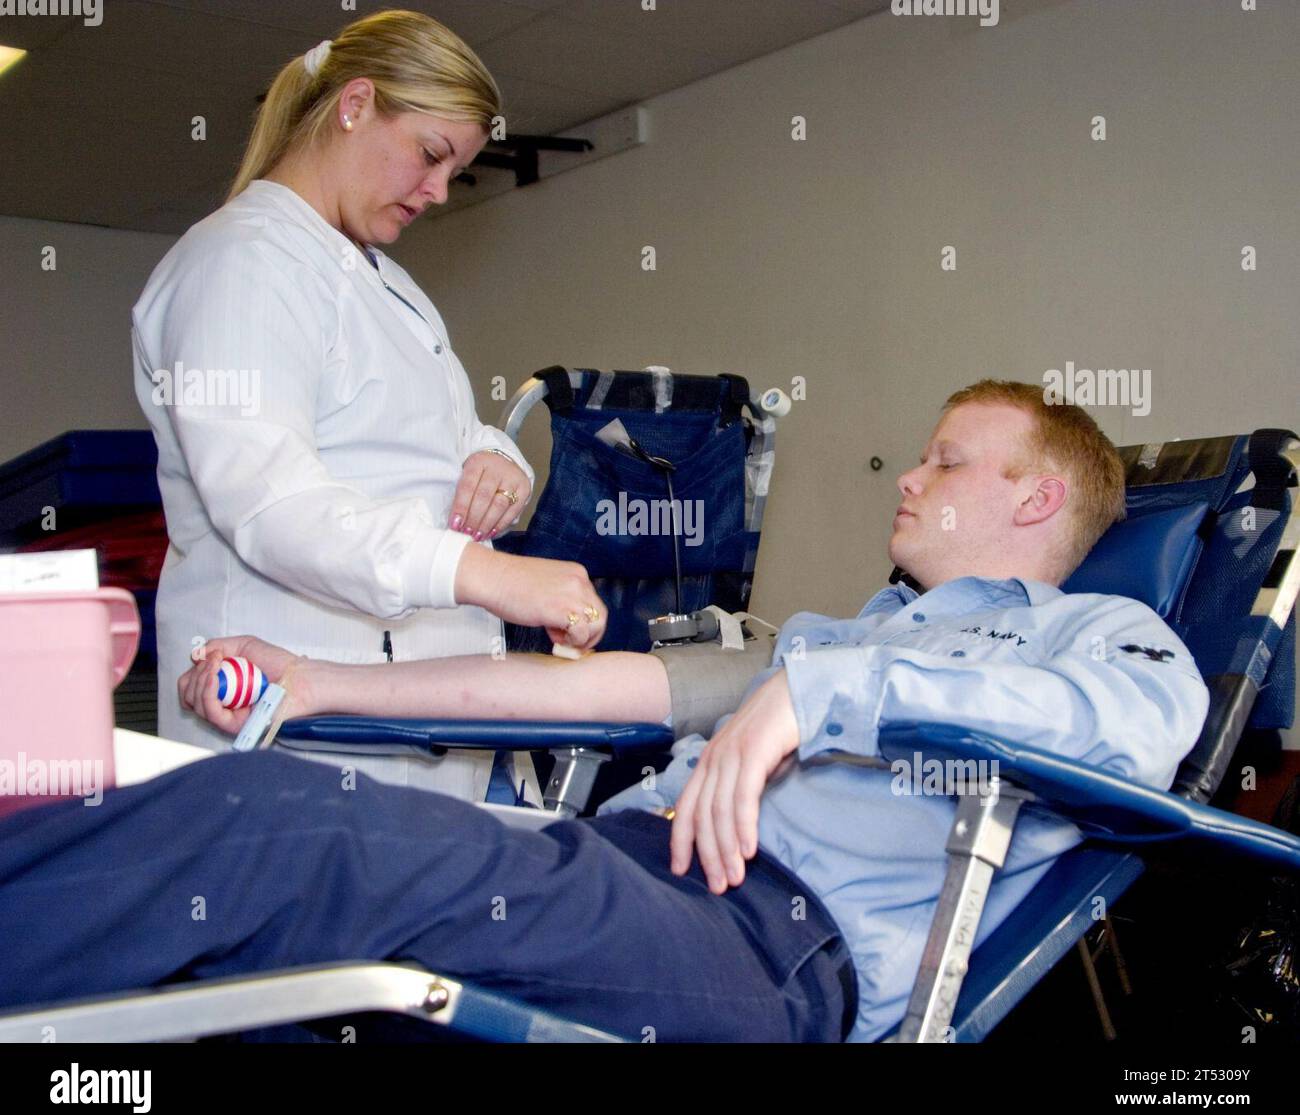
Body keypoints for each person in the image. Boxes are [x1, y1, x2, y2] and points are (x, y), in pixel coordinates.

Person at [0, 382, 1210, 1042]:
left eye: (946, 459)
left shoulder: (1097, 637)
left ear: (1038, 491)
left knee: (280, 837)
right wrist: (318, 685)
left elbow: (1123, 729)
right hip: (615, 866)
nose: (907, 475)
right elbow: (580, 688)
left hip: (761, 942)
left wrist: (817, 693)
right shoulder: (842, 631)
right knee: (260, 936)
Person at [131, 10, 605, 796]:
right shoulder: (242, 265)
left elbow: (425, 438)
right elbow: (272, 502)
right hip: (298, 749)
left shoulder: (385, 283)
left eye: (455, 171)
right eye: (430, 155)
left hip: (420, 731)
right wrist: (482, 573)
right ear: (354, 105)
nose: (438, 191)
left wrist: (497, 457)